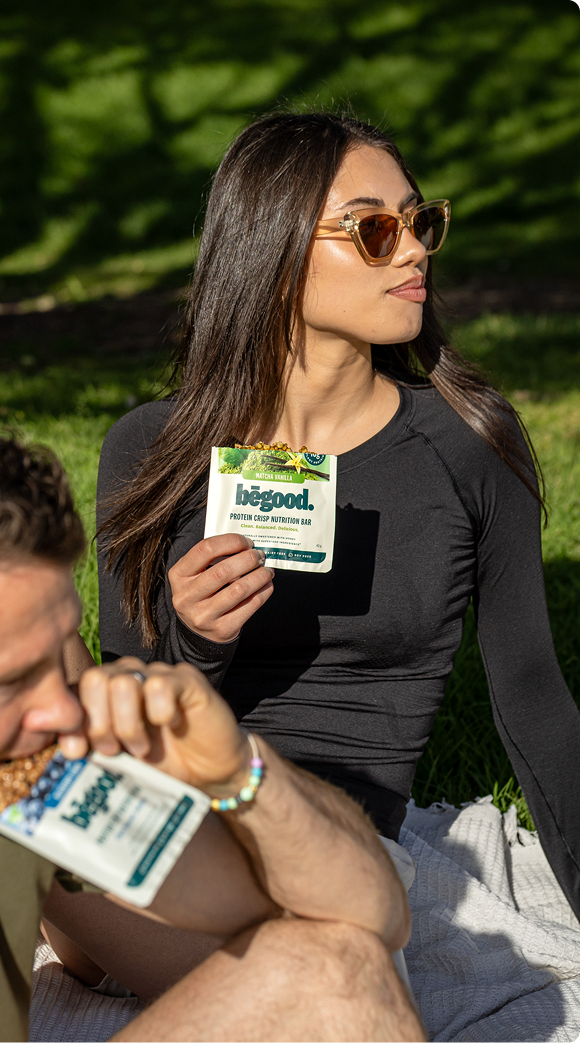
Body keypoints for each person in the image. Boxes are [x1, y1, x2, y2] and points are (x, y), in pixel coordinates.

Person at [0, 402, 424, 1043]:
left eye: (61, 650)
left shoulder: (22, 770)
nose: (66, 707)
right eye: (9, 678)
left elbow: (365, 920)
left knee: (337, 973)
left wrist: (240, 769)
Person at [96, 111, 580, 921]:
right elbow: (125, 731)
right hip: (170, 824)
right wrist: (197, 642)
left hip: (338, 846)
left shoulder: (468, 443)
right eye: (375, 230)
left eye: (420, 221)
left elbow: (535, 698)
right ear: (274, 251)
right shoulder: (149, 449)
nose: (417, 247)